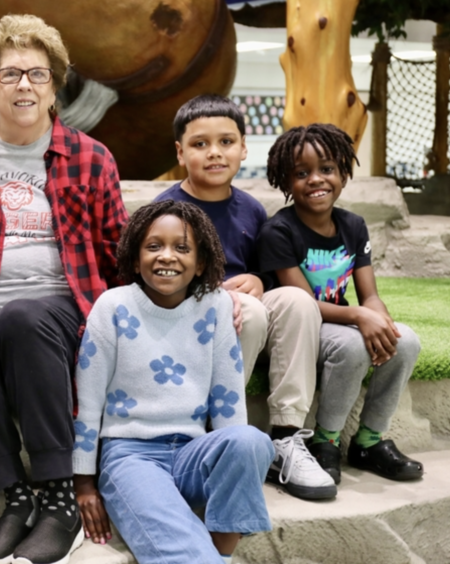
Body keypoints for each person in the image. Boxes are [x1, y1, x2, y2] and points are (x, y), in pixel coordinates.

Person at [0, 14, 127, 564]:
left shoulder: (91, 157)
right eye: (9, 75)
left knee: (26, 316)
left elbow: (116, 251)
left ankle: (59, 497)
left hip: (62, 308)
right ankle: (15, 496)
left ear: (55, 85)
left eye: (37, 74)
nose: (24, 86)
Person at [154, 94, 336, 501]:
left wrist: (256, 279)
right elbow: (155, 283)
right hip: (186, 323)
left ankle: (286, 438)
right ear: (181, 153)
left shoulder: (251, 210)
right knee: (248, 312)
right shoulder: (167, 210)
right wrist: (215, 295)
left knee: (295, 298)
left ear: (243, 148)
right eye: (200, 144)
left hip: (246, 318)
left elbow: (266, 276)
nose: (215, 153)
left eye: (226, 142)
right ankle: (222, 434)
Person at [73, 200, 274, 564]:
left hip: (191, 455)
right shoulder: (112, 306)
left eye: (182, 248)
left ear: (201, 263)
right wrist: (84, 482)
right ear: (135, 259)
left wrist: (230, 460)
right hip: (130, 456)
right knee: (183, 553)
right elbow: (87, 402)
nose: (167, 256)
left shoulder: (216, 306)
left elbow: (229, 401)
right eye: (154, 246)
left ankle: (221, 555)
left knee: (250, 441)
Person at [259, 123, 423, 485]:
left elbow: (370, 295)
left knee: (407, 340)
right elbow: (303, 303)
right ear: (286, 181)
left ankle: (368, 441)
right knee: (351, 346)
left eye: (327, 169)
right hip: (300, 333)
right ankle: (325, 441)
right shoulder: (278, 231)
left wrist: (380, 321)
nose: (316, 180)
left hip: (340, 321)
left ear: (344, 173)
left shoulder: (353, 225)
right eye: (302, 173)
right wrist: (359, 316)